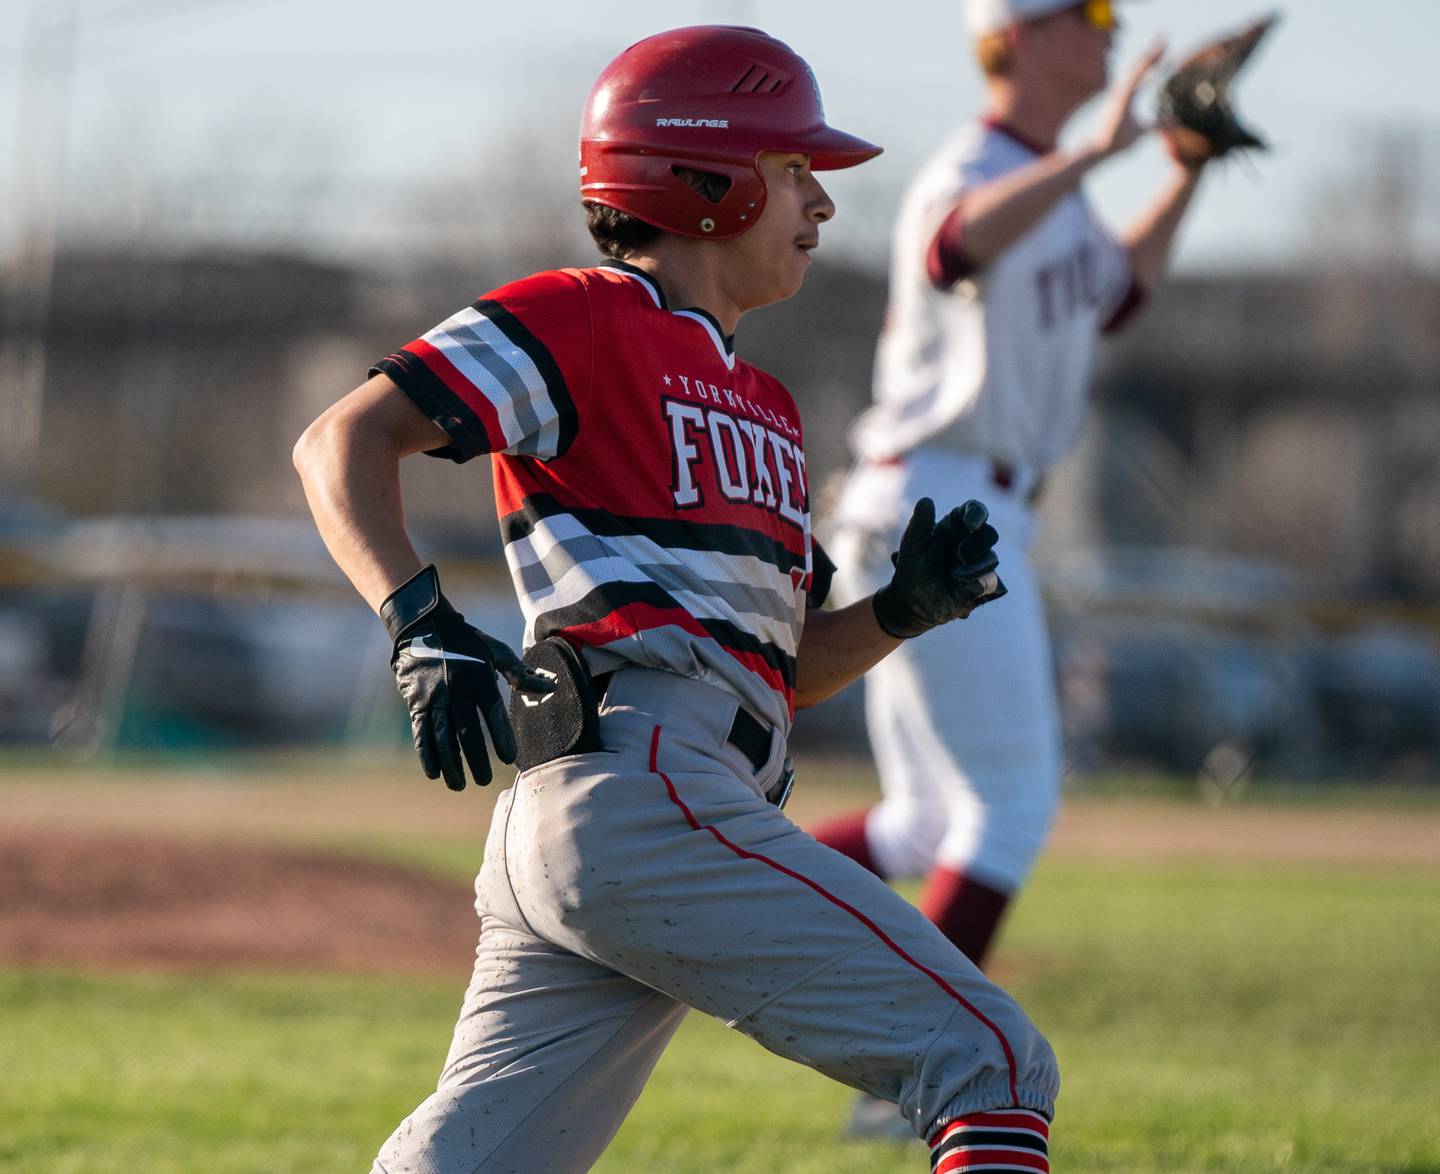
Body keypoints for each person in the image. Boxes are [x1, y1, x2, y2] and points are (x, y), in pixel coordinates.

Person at [294, 24, 1060, 1173]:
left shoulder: (772, 405)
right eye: (796, 171)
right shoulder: (585, 313)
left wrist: (903, 612)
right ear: (707, 181)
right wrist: (418, 621)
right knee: (994, 1061)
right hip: (635, 787)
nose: (822, 203)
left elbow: (775, 675)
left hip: (637, 801)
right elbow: (341, 440)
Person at [815, 0, 1216, 1094]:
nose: (1111, 29)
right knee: (1013, 805)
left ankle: (712, 901)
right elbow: (956, 243)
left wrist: (1184, 170)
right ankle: (918, 1072)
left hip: (953, 499)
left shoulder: (1059, 187)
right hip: (941, 499)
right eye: (1087, 14)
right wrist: (1098, 154)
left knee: (930, 818)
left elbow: (1115, 295)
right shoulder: (976, 166)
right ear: (1023, 36)